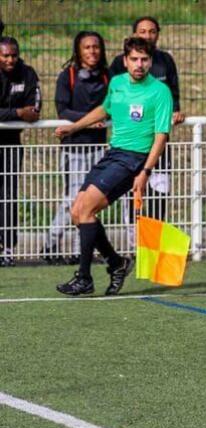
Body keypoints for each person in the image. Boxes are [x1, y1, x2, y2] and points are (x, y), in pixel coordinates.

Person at [54, 37, 173, 296]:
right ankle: (117, 263)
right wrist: (74, 127)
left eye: (144, 59)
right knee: (77, 212)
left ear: (151, 61)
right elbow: (104, 110)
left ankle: (84, 277)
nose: (139, 64)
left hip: (134, 159)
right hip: (113, 154)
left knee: (85, 209)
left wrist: (145, 171)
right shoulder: (117, 83)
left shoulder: (160, 91)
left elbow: (161, 136)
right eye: (134, 59)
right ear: (125, 60)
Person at [43, 31, 110, 265]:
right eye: (87, 47)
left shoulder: (106, 76)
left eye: (96, 47)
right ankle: (51, 244)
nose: (92, 51)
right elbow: (63, 111)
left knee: (90, 202)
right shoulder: (68, 76)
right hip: (74, 149)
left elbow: (111, 106)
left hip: (98, 149)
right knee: (72, 199)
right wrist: (90, 120)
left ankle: (79, 250)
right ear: (79, 51)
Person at [110, 16, 183, 225]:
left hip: (158, 145)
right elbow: (111, 99)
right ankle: (133, 245)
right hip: (130, 145)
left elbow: (174, 93)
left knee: (159, 197)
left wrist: (176, 110)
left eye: (152, 31)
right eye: (143, 31)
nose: (148, 36)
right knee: (132, 199)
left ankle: (154, 244)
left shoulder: (166, 61)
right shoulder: (118, 64)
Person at [0, 36, 41, 267]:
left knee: (8, 196)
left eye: (13, 55)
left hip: (11, 145)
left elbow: (34, 110)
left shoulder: (27, 73)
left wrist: (22, 113)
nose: (10, 59)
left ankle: (7, 249)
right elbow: (23, 112)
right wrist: (16, 113)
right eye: (5, 55)